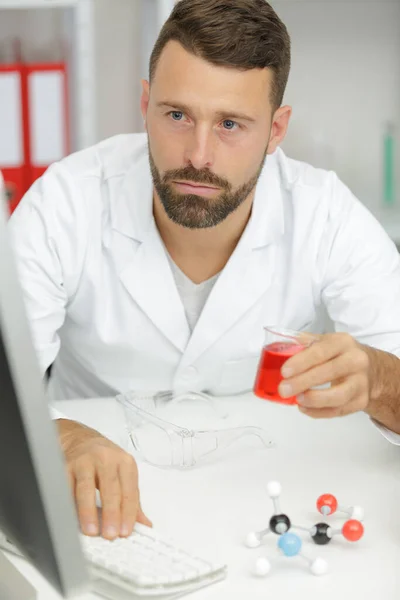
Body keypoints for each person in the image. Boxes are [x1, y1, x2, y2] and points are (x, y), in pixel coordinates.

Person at [7, 0, 400, 542]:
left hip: (265, 505)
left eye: (231, 124)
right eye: (176, 115)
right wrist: (60, 439)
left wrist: (380, 379)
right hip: (101, 515)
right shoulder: (66, 202)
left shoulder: (324, 213)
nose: (198, 155)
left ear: (276, 129)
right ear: (144, 103)